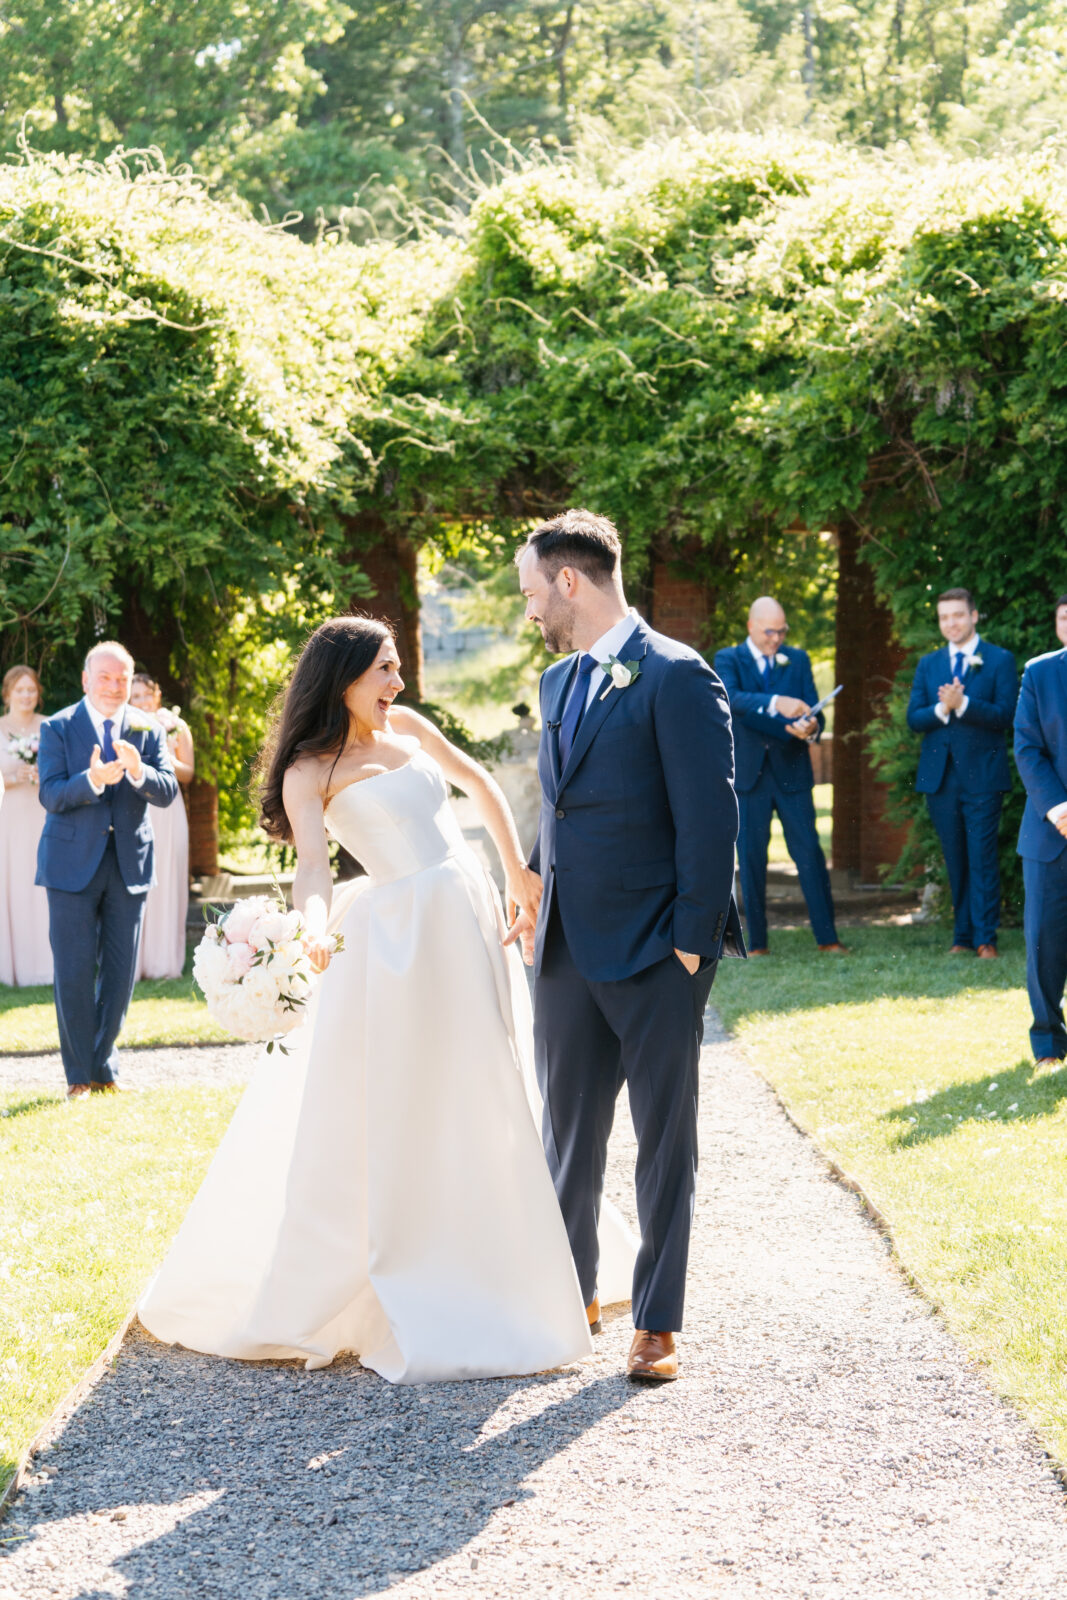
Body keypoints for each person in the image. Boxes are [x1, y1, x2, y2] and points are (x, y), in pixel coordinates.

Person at [139, 616, 623, 1382]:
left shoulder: (412, 728)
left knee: (485, 1071)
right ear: (343, 678)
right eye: (385, 671)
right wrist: (311, 932)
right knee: (408, 1090)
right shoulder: (311, 771)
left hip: (462, 912)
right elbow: (312, 870)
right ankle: (414, 1252)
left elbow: (482, 783)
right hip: (396, 937)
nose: (398, 684)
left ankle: (509, 1244)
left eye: (397, 668)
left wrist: (514, 873)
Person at [509, 509, 745, 1384]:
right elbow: (560, 802)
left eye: (533, 593)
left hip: (656, 948)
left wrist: (692, 944)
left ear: (570, 582)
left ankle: (656, 1322)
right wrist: (533, 882)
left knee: (663, 1139)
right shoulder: (559, 683)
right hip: (565, 944)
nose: (529, 611)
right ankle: (569, 1301)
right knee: (567, 1137)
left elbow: (711, 818)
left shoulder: (679, 677)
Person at [36, 641, 179, 1098]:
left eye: (122, 678)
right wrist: (93, 780)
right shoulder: (58, 727)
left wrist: (138, 773)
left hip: (129, 866)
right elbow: (51, 794)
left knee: (119, 976)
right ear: (85, 679)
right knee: (74, 973)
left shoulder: (146, 728)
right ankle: (80, 1076)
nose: (115, 686)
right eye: (105, 677)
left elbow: (168, 789)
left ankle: (104, 1064)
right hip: (69, 867)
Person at [715, 598, 846, 956]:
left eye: (782, 631)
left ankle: (828, 939)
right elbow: (731, 698)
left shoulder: (799, 659)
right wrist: (777, 704)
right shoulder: (729, 659)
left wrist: (811, 727)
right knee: (753, 860)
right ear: (751, 626)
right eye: (770, 631)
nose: (776, 638)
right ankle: (757, 944)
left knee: (810, 856)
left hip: (792, 773)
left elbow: (814, 710)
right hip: (749, 777)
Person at [906, 588, 1017, 958]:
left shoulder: (999, 659)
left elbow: (1006, 714)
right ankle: (962, 937)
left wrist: (964, 704)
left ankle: (986, 939)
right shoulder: (929, 664)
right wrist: (943, 708)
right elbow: (914, 718)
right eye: (943, 617)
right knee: (955, 858)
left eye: (957, 615)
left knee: (982, 857)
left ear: (973, 616)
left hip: (983, 776)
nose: (950, 623)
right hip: (941, 779)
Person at [1014, 643, 1067, 1068]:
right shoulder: (1039, 674)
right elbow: (1028, 748)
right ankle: (1049, 1042)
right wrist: (1057, 808)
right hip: (1052, 831)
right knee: (1044, 941)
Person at [130, 674, 193, 981]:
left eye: (144, 694)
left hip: (168, 809)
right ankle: (136, 962)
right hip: (138, 808)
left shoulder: (176, 726)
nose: (140, 701)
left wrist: (165, 758)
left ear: (156, 694)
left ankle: (166, 962)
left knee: (168, 879)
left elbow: (189, 772)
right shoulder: (125, 727)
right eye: (134, 697)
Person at [0, 665, 52, 986]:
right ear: (7, 694)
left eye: (31, 690)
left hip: (43, 812)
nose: (26, 696)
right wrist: (9, 778)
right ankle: (12, 967)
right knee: (14, 883)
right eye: (20, 690)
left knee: (42, 884)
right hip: (9, 815)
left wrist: (40, 775)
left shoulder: (49, 727)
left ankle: (45, 966)